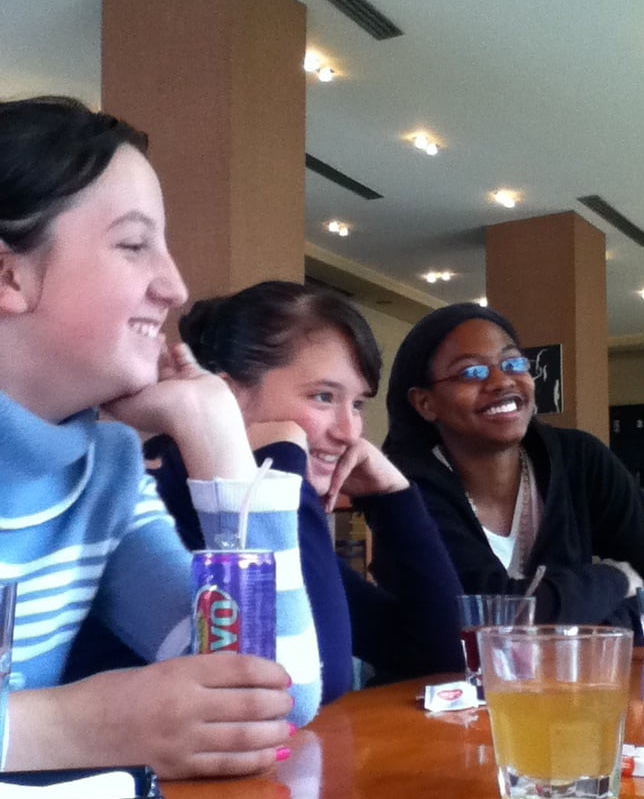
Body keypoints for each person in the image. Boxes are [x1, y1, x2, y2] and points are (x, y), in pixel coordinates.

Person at [0, 96, 321, 779]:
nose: (175, 287)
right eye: (134, 244)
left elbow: (273, 697)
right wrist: (75, 726)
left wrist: (216, 435)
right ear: (8, 275)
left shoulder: (105, 473)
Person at [141, 282, 465, 694]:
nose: (350, 432)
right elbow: (311, 683)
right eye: (323, 396)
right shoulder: (152, 504)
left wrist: (393, 497)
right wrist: (282, 460)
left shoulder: (274, 509)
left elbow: (446, 654)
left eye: (357, 404)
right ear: (226, 396)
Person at [381, 302, 644, 636]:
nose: (502, 381)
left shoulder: (580, 460)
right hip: (443, 674)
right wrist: (614, 579)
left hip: (588, 670)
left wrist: (588, 631)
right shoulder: (405, 492)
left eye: (513, 364)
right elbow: (484, 618)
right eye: (471, 372)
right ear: (425, 403)